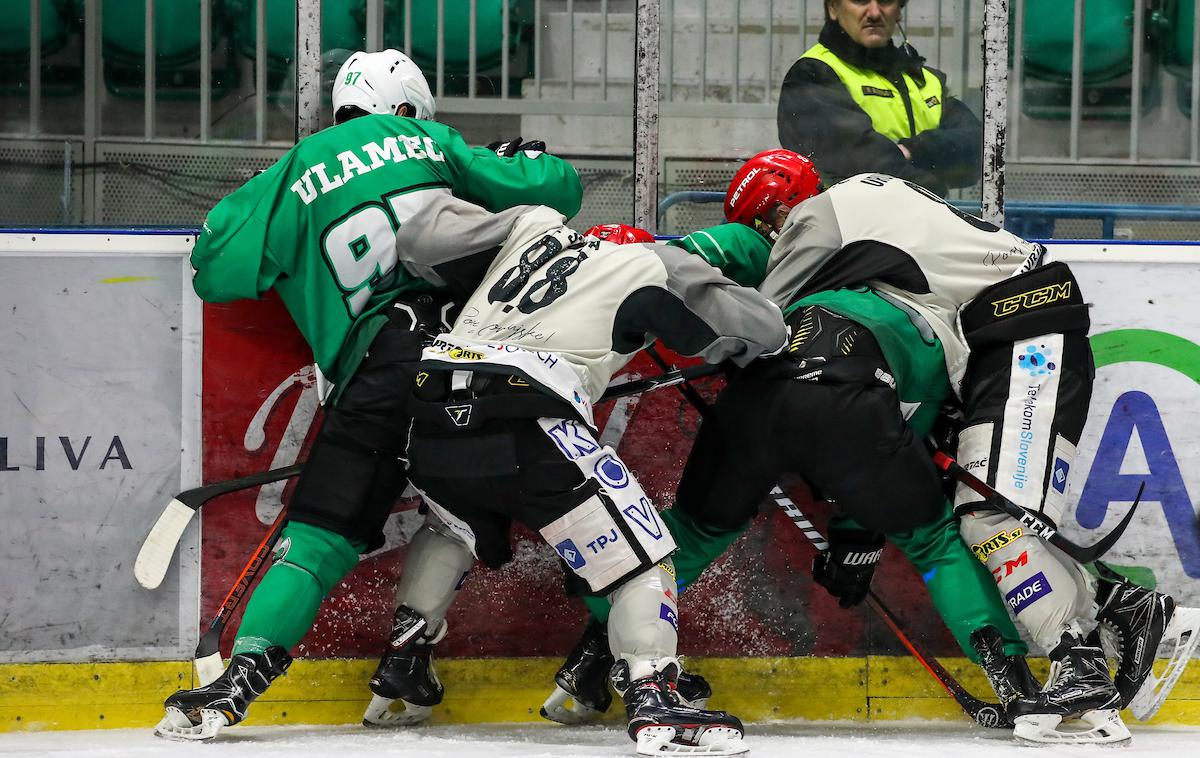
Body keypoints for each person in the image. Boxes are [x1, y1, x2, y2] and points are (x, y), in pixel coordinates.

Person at [552, 150, 1200, 744]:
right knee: (973, 519)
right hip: (984, 343)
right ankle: (1092, 632)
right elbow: (877, 417)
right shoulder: (873, 237)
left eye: (766, 224)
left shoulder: (817, 224)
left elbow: (764, 329)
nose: (771, 239)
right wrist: (859, 524)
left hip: (1022, 329)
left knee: (990, 514)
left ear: (785, 208)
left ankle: (1088, 654)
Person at [154, 49, 583, 741]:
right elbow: (557, 190)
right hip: (464, 355)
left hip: (371, 371)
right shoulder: (431, 141)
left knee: (318, 536)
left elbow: (216, 270)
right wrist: (517, 159)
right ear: (410, 108)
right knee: (465, 510)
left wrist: (279, 202)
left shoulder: (296, 168)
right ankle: (411, 660)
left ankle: (241, 680)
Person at [379, 194, 789, 755]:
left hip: (430, 407)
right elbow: (765, 331)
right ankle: (654, 690)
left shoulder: (531, 228)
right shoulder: (652, 263)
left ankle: (404, 654)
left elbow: (419, 238)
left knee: (454, 524)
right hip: (531, 405)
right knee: (642, 556)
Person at [777, 0, 981, 197]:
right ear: (833, 8)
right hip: (848, 228)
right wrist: (934, 190)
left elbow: (981, 150)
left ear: (899, 10)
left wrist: (915, 149)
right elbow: (860, 165)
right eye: (860, 0)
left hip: (918, 224)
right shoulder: (813, 73)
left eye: (885, 1)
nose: (874, 13)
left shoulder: (925, 80)